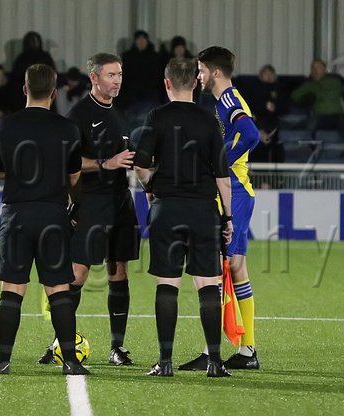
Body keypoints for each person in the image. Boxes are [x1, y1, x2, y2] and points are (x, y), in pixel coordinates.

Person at [0, 64, 88, 376]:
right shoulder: (67, 128)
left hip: (16, 213)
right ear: (54, 93)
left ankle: (2, 360)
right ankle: (70, 360)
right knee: (58, 289)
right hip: (53, 214)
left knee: (12, 288)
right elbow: (73, 177)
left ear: (25, 89)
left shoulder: (5, 125)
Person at [37, 52, 141, 366]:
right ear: (94, 78)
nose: (118, 80)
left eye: (120, 74)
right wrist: (103, 163)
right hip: (91, 202)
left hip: (121, 200)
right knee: (77, 274)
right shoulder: (78, 114)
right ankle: (60, 344)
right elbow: (66, 160)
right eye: (111, 75)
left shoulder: (121, 113)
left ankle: (117, 348)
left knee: (118, 272)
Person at [133, 57, 233, 377]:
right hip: (204, 210)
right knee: (207, 286)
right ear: (195, 83)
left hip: (168, 208)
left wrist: (150, 189)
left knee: (168, 284)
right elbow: (223, 176)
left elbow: (140, 164)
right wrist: (227, 217)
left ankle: (164, 362)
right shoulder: (209, 120)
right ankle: (215, 362)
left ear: (167, 84)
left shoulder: (156, 117)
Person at [178, 46, 260, 371]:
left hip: (235, 192)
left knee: (227, 266)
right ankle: (245, 349)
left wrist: (222, 161)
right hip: (232, 193)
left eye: (200, 70)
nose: (197, 76)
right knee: (234, 267)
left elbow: (251, 133)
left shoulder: (229, 101)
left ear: (214, 72)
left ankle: (227, 349)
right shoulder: (220, 102)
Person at [290, 59, 344, 139]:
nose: (315, 70)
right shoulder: (309, 84)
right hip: (319, 114)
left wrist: (314, 92)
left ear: (324, 69)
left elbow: (332, 95)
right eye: (313, 68)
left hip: (336, 114)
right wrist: (306, 97)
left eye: (318, 67)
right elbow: (295, 95)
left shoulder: (334, 81)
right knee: (305, 130)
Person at [7, 31, 56, 112]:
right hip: (23, 98)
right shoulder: (21, 59)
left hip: (43, 93)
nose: (33, 44)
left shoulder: (45, 58)